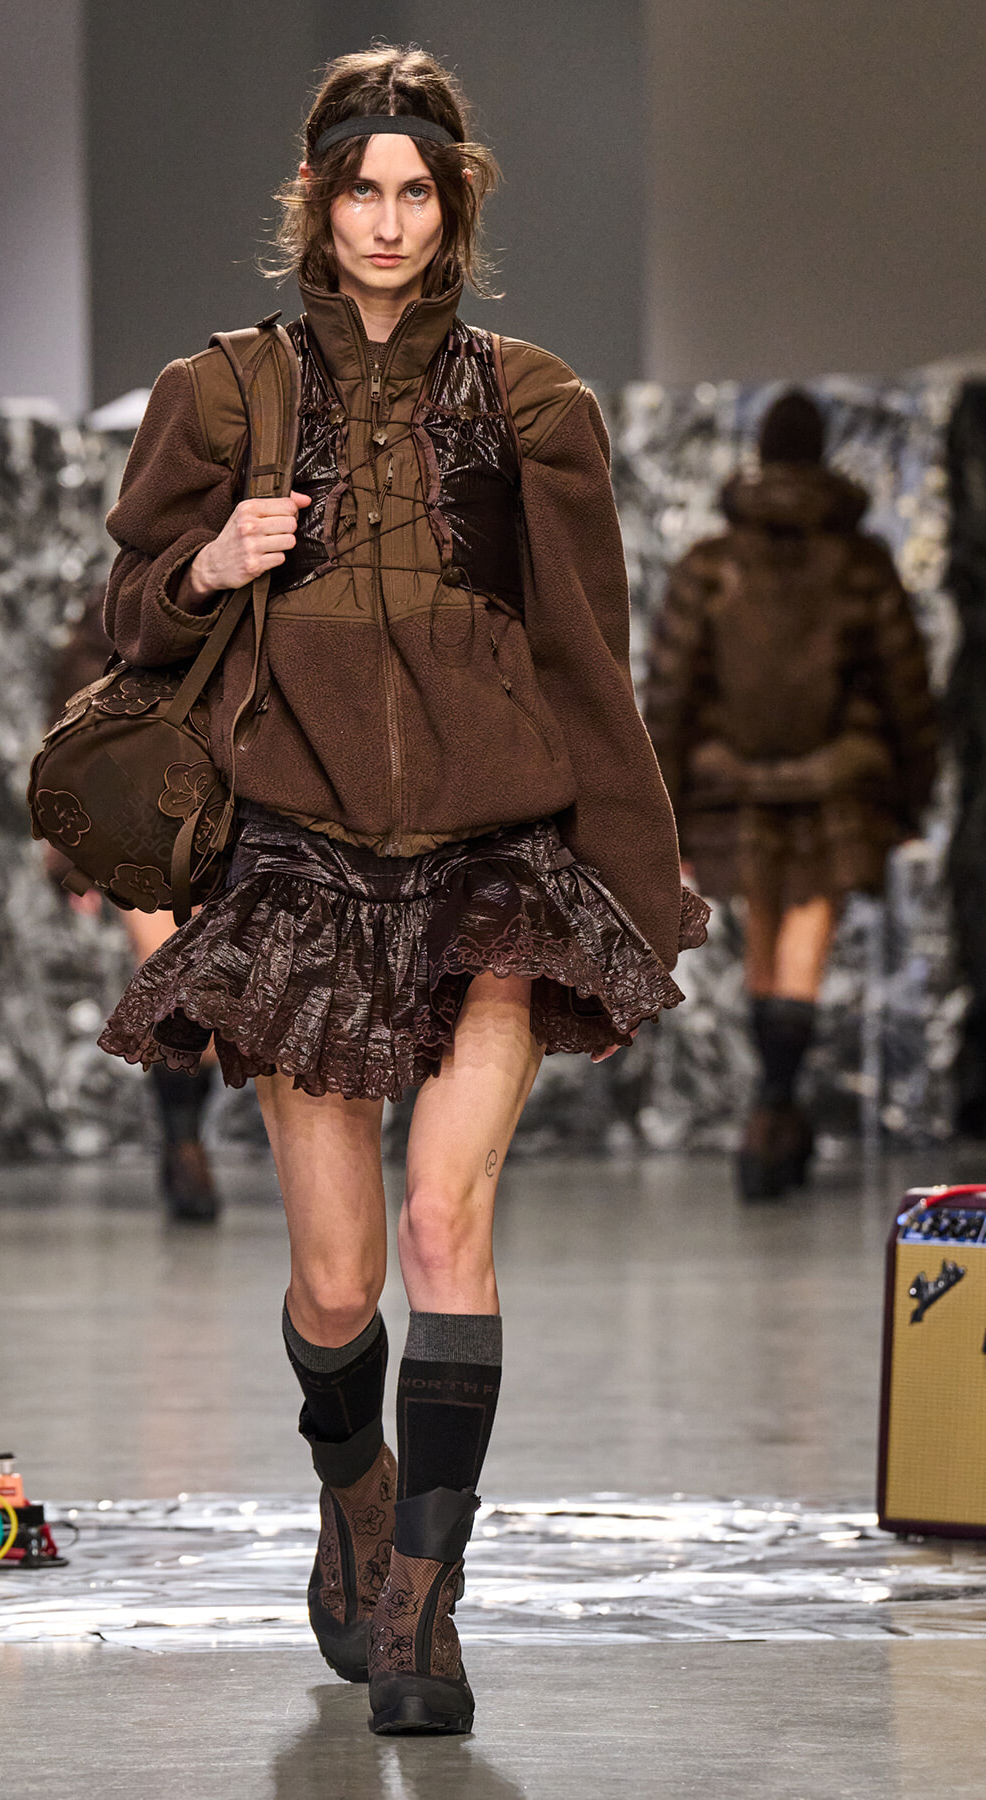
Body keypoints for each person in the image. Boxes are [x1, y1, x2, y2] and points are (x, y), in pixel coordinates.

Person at [96, 46, 706, 1735]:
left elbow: (595, 664)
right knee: (342, 1281)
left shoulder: (537, 406)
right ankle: (350, 1482)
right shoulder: (222, 397)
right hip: (296, 861)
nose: (385, 218)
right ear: (318, 202)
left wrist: (639, 877)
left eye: (414, 192)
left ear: (453, 212)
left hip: (492, 863)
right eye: (359, 189)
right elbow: (125, 625)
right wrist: (203, 563)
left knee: (449, 1222)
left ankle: (426, 1602)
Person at [645, 389, 937, 1200]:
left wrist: (662, 811)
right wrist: (913, 795)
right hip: (837, 789)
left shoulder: (709, 563)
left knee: (768, 950)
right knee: (800, 950)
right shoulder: (859, 563)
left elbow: (670, 694)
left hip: (730, 792)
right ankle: (776, 1112)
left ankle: (769, 1120)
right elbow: (906, 686)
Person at [46, 597, 219, 1221]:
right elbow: (73, 730)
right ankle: (184, 1147)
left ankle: (186, 1141)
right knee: (181, 992)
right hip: (142, 824)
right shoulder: (121, 607)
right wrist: (77, 851)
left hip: (242, 826)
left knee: (220, 1005)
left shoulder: (263, 599)